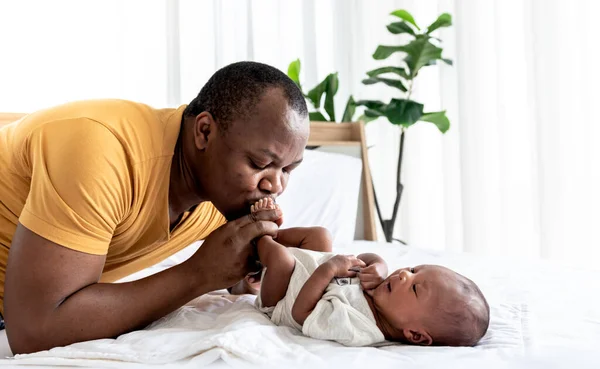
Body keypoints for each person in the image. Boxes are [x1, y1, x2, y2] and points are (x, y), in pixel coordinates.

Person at [0, 61, 309, 354]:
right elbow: (33, 331)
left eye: (287, 170)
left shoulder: (221, 194)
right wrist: (198, 274)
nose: (276, 185)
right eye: (259, 163)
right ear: (204, 132)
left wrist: (239, 273)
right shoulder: (102, 150)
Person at [251, 198, 490, 347]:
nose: (405, 275)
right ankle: (273, 235)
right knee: (320, 236)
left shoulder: (360, 328)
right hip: (313, 266)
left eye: (415, 287)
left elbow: (301, 312)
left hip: (282, 297)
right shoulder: (385, 292)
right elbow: (362, 260)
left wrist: (330, 268)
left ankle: (255, 232)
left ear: (415, 335)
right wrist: (378, 266)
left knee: (281, 260)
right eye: (413, 269)